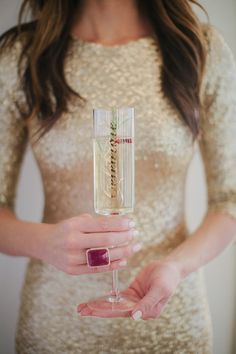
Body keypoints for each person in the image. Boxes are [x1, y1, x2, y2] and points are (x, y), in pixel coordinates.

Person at [0, 0, 236, 353]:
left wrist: (176, 266)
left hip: (173, 322)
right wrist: (44, 242)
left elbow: (229, 199)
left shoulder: (200, 49)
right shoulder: (23, 56)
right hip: (56, 328)